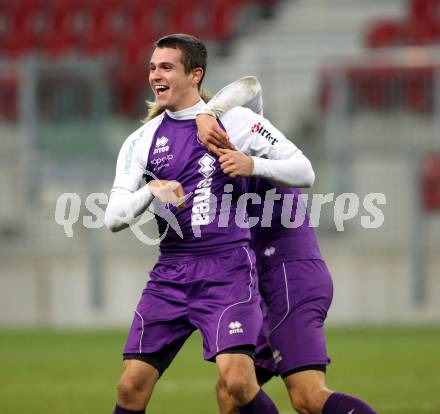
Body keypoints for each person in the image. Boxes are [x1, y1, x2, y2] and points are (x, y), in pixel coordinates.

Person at [104, 33, 316, 414]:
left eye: (166, 67)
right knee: (129, 387)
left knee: (236, 381)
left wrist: (254, 165)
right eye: (152, 67)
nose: (155, 75)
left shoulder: (236, 121)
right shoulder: (142, 139)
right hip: (170, 272)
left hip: (227, 266)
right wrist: (151, 192)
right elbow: (113, 216)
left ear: (195, 75)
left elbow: (304, 171)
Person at [196, 78, 379, 414]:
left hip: (289, 274)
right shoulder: (193, 162)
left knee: (308, 397)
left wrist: (211, 115)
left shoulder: (235, 125)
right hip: (268, 284)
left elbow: (250, 85)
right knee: (231, 389)